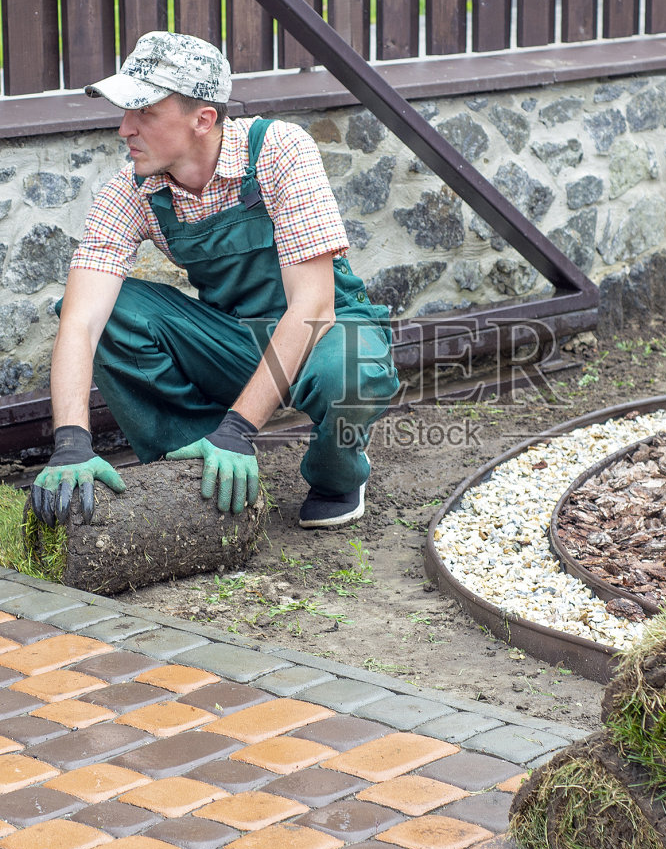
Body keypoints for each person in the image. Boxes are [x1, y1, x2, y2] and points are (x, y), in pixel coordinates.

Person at [29, 31, 399, 530]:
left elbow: (314, 307)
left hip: (326, 334)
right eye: (124, 111)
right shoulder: (132, 191)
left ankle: (336, 474)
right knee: (112, 311)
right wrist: (71, 442)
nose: (124, 129)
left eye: (144, 113)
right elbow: (80, 323)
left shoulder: (278, 151)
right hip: (233, 341)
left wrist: (240, 430)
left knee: (353, 374)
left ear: (204, 120)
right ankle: (197, 465)